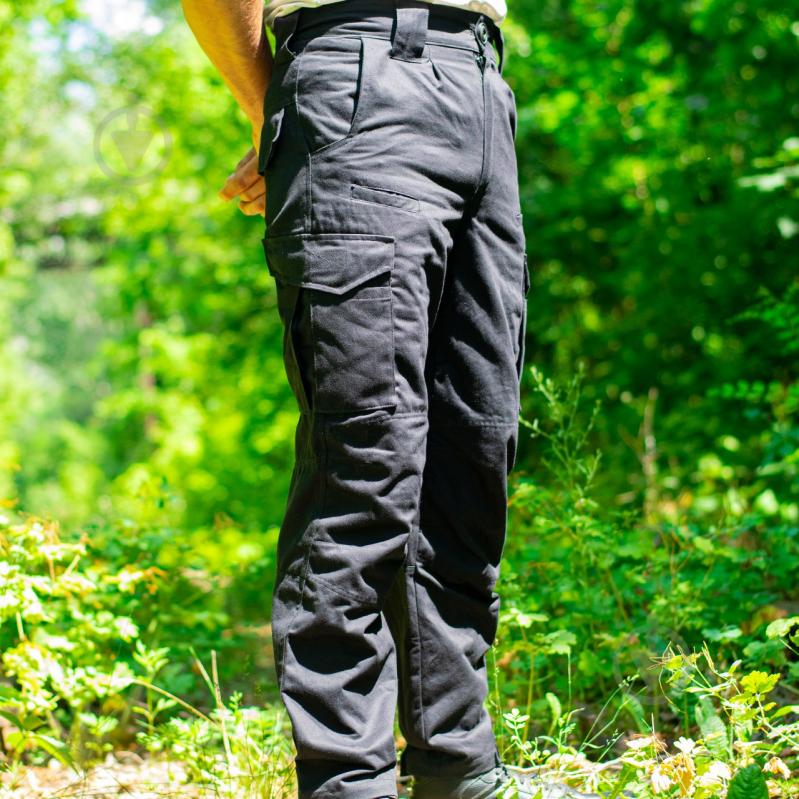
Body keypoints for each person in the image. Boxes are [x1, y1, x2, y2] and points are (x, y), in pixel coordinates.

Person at [181, 1, 596, 797]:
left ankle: (457, 765)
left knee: (471, 450)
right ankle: (347, 779)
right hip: (353, 76)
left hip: (480, 89)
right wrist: (277, 109)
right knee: (365, 459)